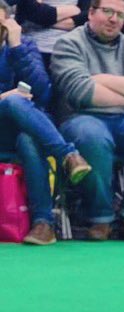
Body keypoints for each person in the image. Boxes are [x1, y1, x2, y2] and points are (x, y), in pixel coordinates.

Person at [50, 0, 124, 241]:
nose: (114, 19)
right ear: (91, 13)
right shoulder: (68, 43)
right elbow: (81, 91)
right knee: (92, 136)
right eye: (107, 11)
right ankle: (100, 217)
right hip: (80, 117)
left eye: (119, 14)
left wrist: (101, 79)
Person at [0, 1, 91, 246]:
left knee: (29, 139)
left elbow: (42, 92)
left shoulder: (23, 46)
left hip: (18, 128)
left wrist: (16, 46)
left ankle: (43, 224)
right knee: (13, 103)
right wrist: (5, 97)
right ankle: (68, 155)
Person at [15, 0, 90, 69]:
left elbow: (87, 15)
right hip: (31, 48)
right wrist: (68, 11)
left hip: (69, 50)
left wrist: (46, 20)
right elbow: (29, 10)